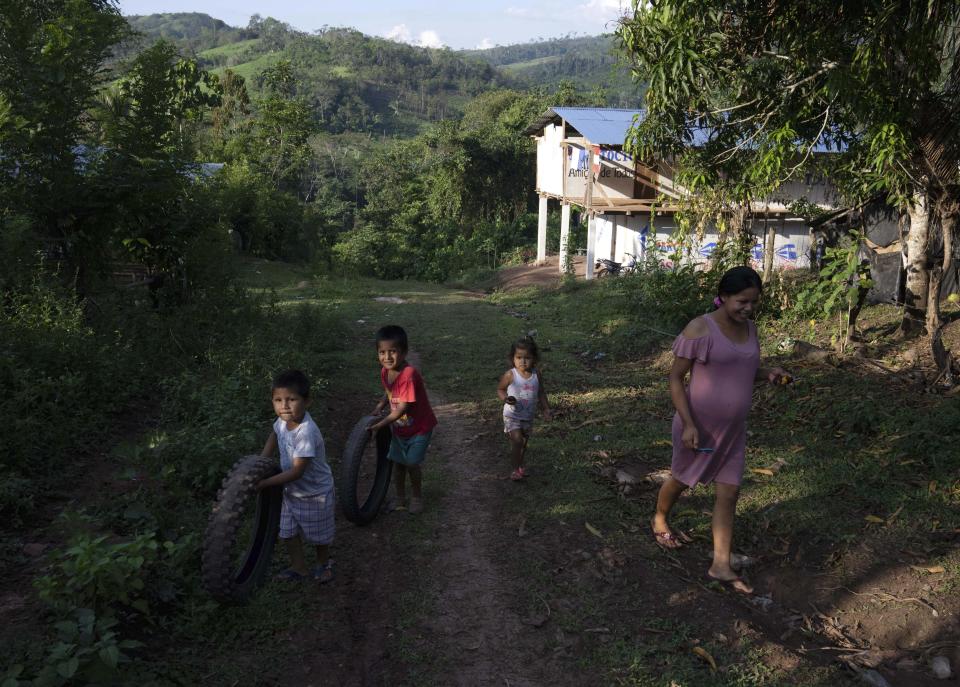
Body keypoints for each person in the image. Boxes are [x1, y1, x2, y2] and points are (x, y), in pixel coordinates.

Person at [651, 266, 791, 594]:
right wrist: (687, 423)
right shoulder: (701, 328)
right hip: (698, 427)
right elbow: (675, 378)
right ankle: (659, 518)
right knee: (682, 478)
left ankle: (721, 564)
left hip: (733, 431)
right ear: (724, 296)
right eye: (742, 301)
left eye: (754, 303)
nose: (748, 308)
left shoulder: (751, 330)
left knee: (729, 492)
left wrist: (769, 373)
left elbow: (745, 369)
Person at [257, 370, 335, 583]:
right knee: (287, 532)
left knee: (319, 535)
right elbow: (274, 434)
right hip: (291, 491)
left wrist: (264, 483)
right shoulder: (282, 421)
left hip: (314, 492)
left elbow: (297, 471)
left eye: (292, 399)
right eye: (278, 400)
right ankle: (299, 567)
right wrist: (262, 460)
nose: (284, 406)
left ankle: (323, 563)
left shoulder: (306, 432)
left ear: (307, 401)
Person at [369, 325, 437, 514]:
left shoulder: (408, 375)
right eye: (382, 352)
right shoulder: (385, 372)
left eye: (393, 351)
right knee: (398, 463)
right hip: (400, 429)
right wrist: (380, 406)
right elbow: (389, 391)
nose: (387, 357)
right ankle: (400, 497)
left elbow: (401, 409)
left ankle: (416, 497)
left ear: (404, 352)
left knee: (411, 463)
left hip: (420, 428)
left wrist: (379, 425)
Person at [497, 336, 552, 481]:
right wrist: (506, 399)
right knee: (517, 440)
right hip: (512, 415)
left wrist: (546, 409)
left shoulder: (536, 375)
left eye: (527, 357)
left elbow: (541, 393)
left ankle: (519, 466)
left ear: (534, 358)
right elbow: (500, 389)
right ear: (513, 358)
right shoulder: (511, 375)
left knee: (523, 444)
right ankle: (514, 470)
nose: (522, 361)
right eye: (519, 357)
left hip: (528, 416)